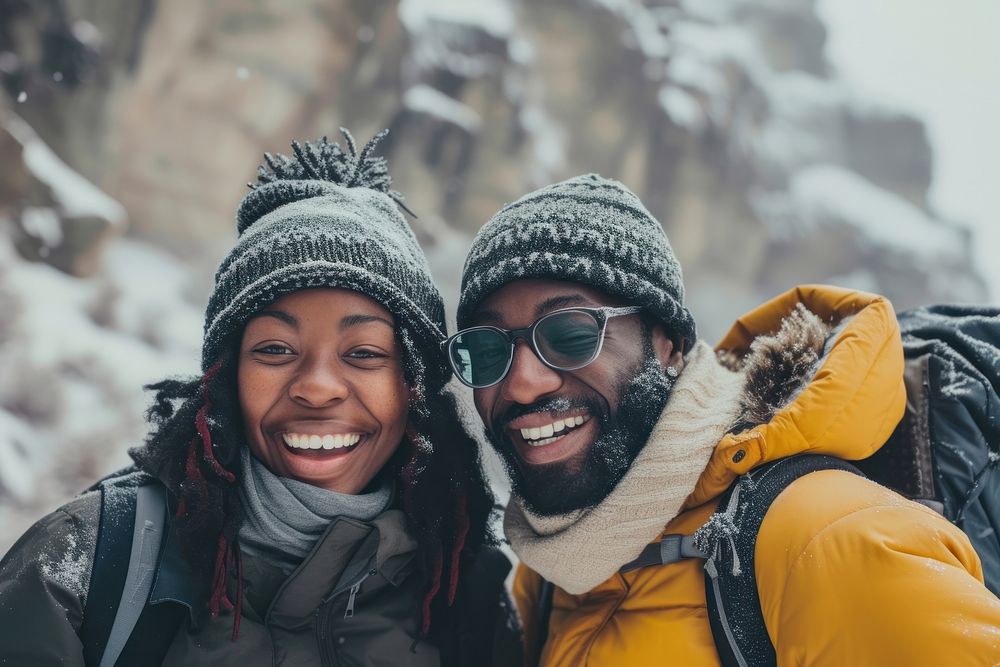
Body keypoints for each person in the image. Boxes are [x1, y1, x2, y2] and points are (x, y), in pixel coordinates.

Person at [0, 130, 519, 666]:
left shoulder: (473, 597)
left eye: (363, 353)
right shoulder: (89, 564)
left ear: (414, 389)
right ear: (226, 378)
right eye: (275, 348)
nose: (317, 386)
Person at [446, 173, 1000, 665]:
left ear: (667, 343)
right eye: (486, 352)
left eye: (570, 334)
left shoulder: (822, 541)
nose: (521, 382)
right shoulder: (544, 582)